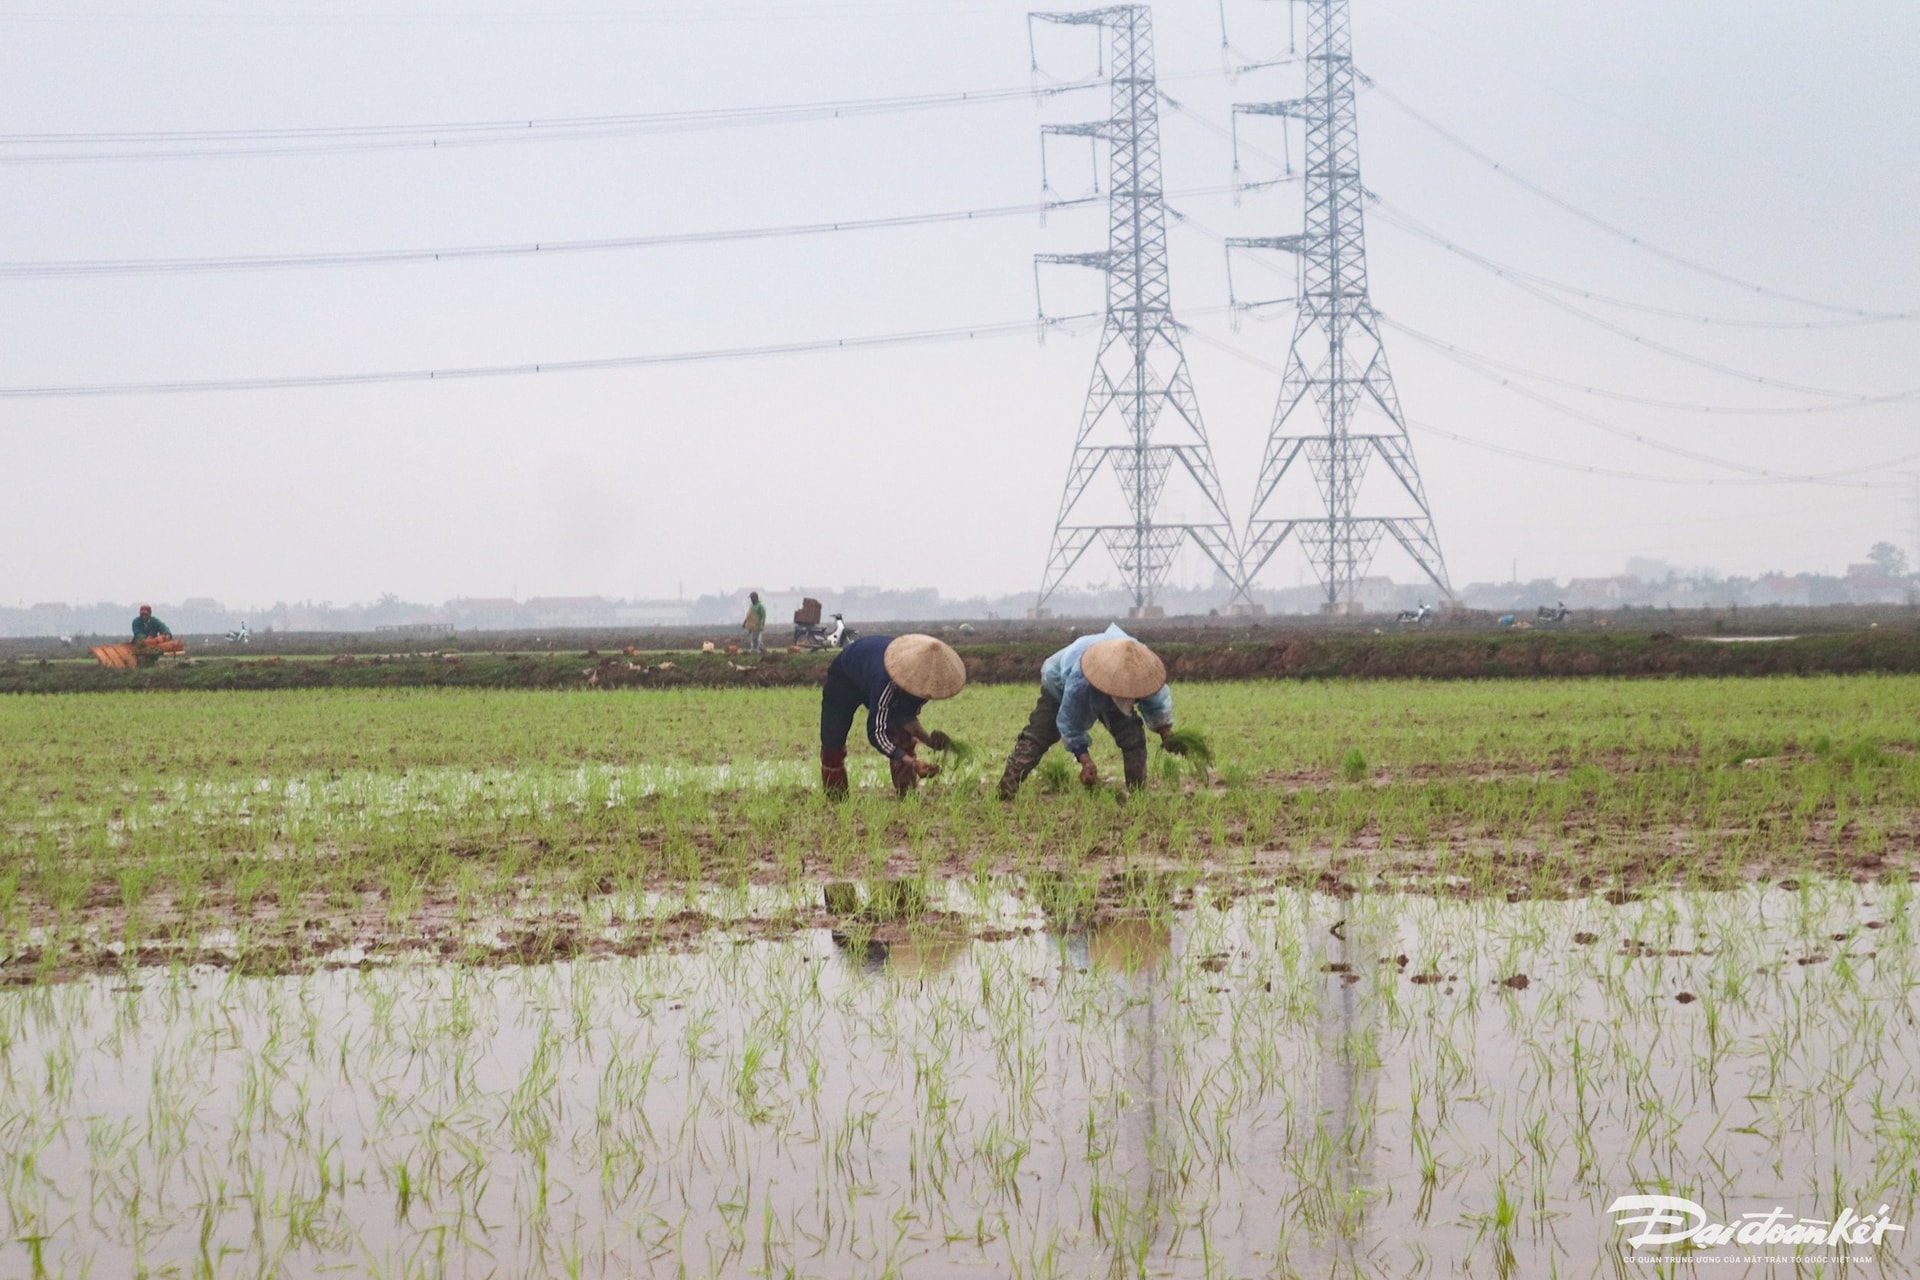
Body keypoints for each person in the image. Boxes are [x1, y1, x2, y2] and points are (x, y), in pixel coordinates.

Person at [998, 622, 1175, 800]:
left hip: (1115, 675)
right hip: (1060, 682)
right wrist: (1086, 761)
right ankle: (1006, 791)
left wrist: (1167, 734)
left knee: (1132, 736)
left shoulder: (1142, 667)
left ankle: (1138, 795)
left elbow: (1156, 702)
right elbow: (1070, 723)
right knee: (1040, 734)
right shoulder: (1080, 684)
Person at [819, 634, 966, 798]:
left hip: (872, 672)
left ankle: (907, 794)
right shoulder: (886, 682)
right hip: (844, 680)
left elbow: (905, 717)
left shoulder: (921, 687)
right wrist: (913, 763)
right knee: (832, 744)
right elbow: (876, 733)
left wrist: (929, 741)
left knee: (903, 736)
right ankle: (836, 799)